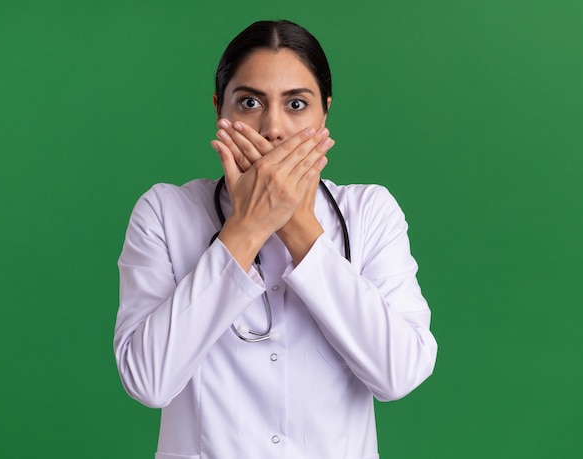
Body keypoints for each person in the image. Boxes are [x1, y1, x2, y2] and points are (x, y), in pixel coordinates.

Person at [114, 19, 437, 458]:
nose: (273, 128)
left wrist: (296, 223)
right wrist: (245, 228)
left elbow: (398, 374)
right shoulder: (165, 213)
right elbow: (148, 381)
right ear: (218, 110)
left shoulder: (370, 213)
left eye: (296, 104)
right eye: (249, 101)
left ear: (325, 111)